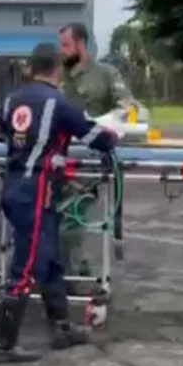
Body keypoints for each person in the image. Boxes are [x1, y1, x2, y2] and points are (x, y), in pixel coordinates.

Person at [0, 42, 119, 364]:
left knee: (49, 260)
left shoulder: (11, 99)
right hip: (34, 192)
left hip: (17, 187)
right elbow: (96, 138)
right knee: (26, 267)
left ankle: (61, 328)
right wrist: (114, 134)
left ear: (32, 67)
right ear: (58, 69)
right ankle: (3, 346)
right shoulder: (58, 103)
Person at [57, 22, 136, 289]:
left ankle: (72, 277)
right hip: (57, 160)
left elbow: (129, 106)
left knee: (71, 222)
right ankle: (62, 272)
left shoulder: (105, 74)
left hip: (89, 165)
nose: (63, 51)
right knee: (41, 219)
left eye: (66, 45)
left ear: (81, 45)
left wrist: (106, 121)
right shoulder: (58, 77)